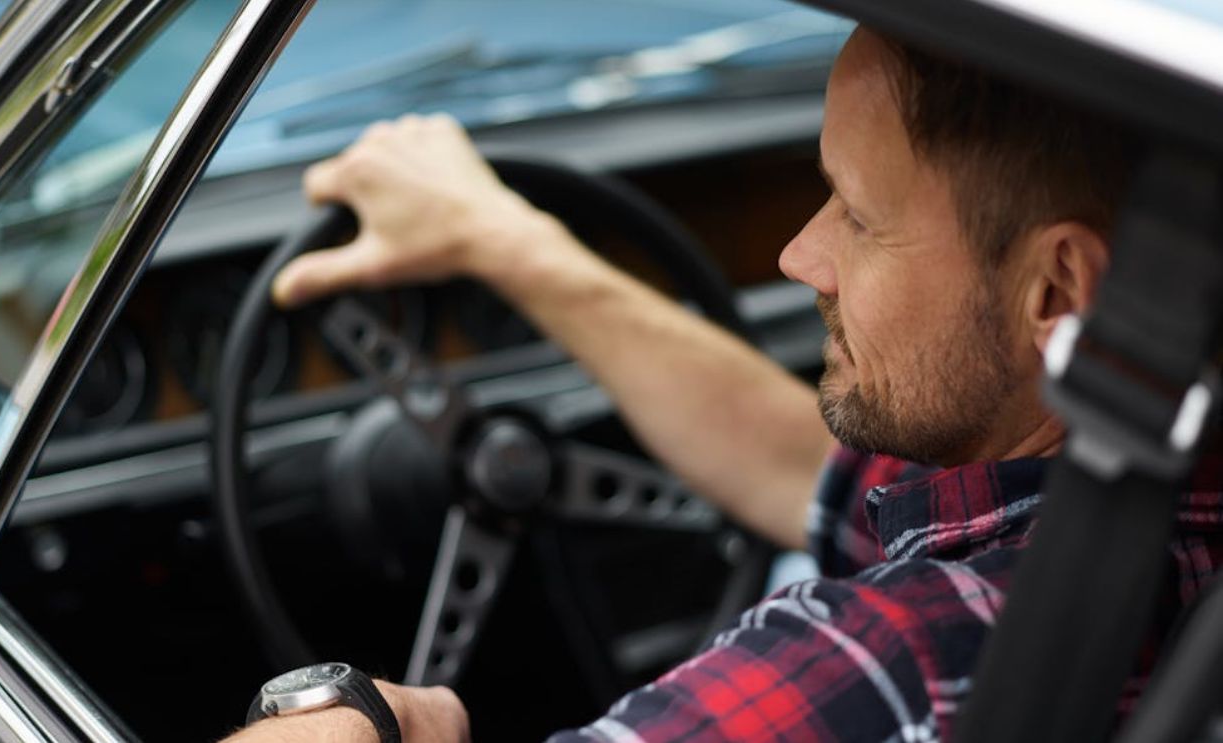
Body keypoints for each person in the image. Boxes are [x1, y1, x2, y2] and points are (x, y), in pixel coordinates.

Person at [225, 25, 1222, 743]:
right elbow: (799, 467)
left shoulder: (892, 666)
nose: (798, 253)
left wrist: (350, 720)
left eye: (859, 216)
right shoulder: (1158, 503)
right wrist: (506, 241)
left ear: (1055, 288)